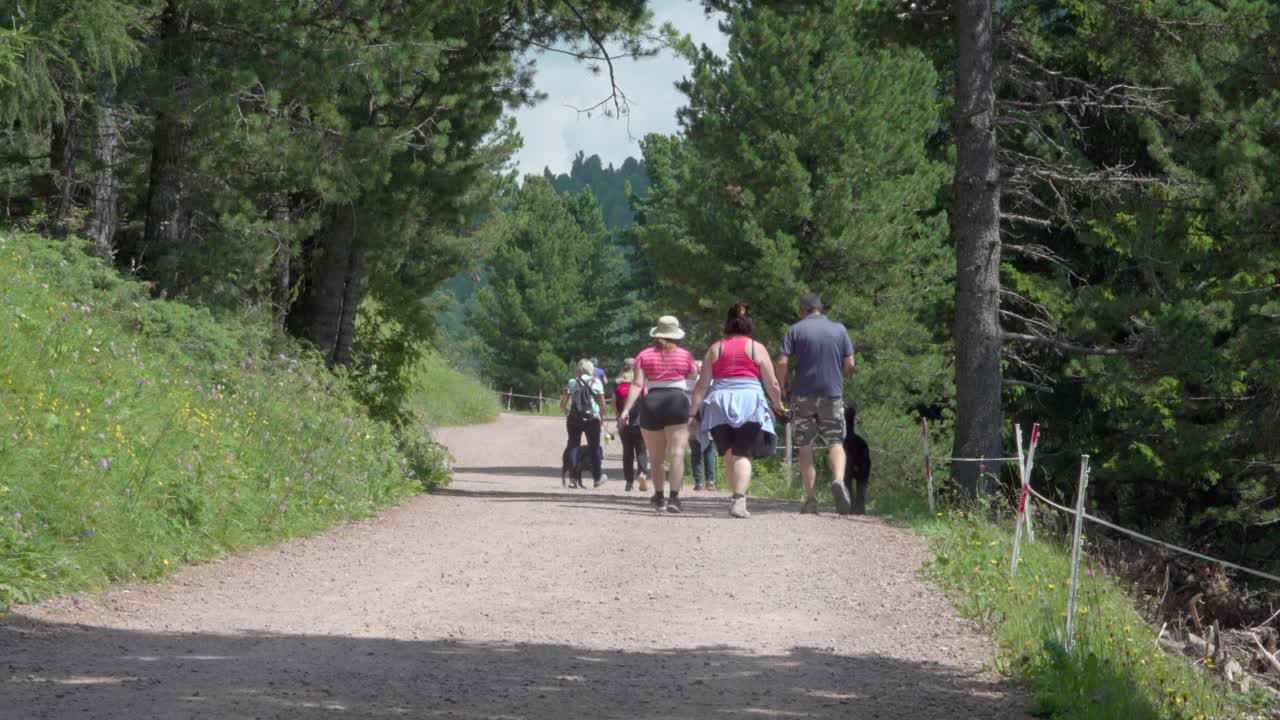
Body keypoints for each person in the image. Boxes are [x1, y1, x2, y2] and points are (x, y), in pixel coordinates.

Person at [689, 301, 786, 518]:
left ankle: (735, 495)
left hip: (718, 404)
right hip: (750, 402)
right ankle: (739, 499)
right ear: (749, 323)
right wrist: (778, 404)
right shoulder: (756, 347)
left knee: (730, 454)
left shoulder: (716, 348)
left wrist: (692, 414)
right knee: (744, 454)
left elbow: (701, 385)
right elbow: (772, 384)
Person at [775, 292, 856, 515]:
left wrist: (782, 387)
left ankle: (811, 499)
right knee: (835, 441)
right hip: (832, 393)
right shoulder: (839, 329)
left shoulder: (795, 330)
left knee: (805, 445)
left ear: (803, 310)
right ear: (821, 309)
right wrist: (840, 376)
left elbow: (781, 361)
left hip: (802, 394)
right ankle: (838, 480)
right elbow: (850, 362)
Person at [618, 315, 698, 513]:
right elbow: (693, 379)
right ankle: (674, 498)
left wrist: (626, 410)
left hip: (652, 402)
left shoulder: (644, 355)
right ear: (676, 334)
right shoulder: (685, 355)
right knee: (677, 453)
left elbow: (637, 384)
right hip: (677, 401)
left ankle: (659, 497)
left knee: (655, 456)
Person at [560, 358, 608, 488]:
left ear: (578, 369)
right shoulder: (596, 382)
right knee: (594, 447)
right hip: (592, 419)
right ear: (591, 369)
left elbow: (563, 404)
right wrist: (601, 416)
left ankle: (573, 479)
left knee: (573, 446)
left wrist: (567, 413)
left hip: (574, 418)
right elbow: (602, 404)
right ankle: (597, 477)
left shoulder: (571, 382)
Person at [613, 359, 649, 492]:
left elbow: (614, 403)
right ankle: (642, 474)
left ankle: (629, 481)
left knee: (627, 452)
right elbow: (647, 400)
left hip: (624, 422)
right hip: (640, 422)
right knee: (641, 450)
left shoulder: (618, 385)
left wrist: (618, 417)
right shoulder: (641, 384)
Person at [687, 361, 716, 491]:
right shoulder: (712, 383)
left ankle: (698, 482)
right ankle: (710, 481)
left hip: (693, 420)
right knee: (708, 451)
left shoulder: (689, 384)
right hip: (708, 420)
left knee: (696, 452)